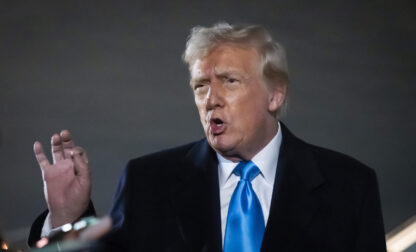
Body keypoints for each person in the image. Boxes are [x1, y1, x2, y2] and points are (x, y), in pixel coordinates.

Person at [28, 23, 387, 251]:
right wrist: (65, 218)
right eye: (201, 86)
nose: (210, 99)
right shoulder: (148, 182)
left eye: (229, 81)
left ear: (275, 95)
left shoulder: (350, 186)